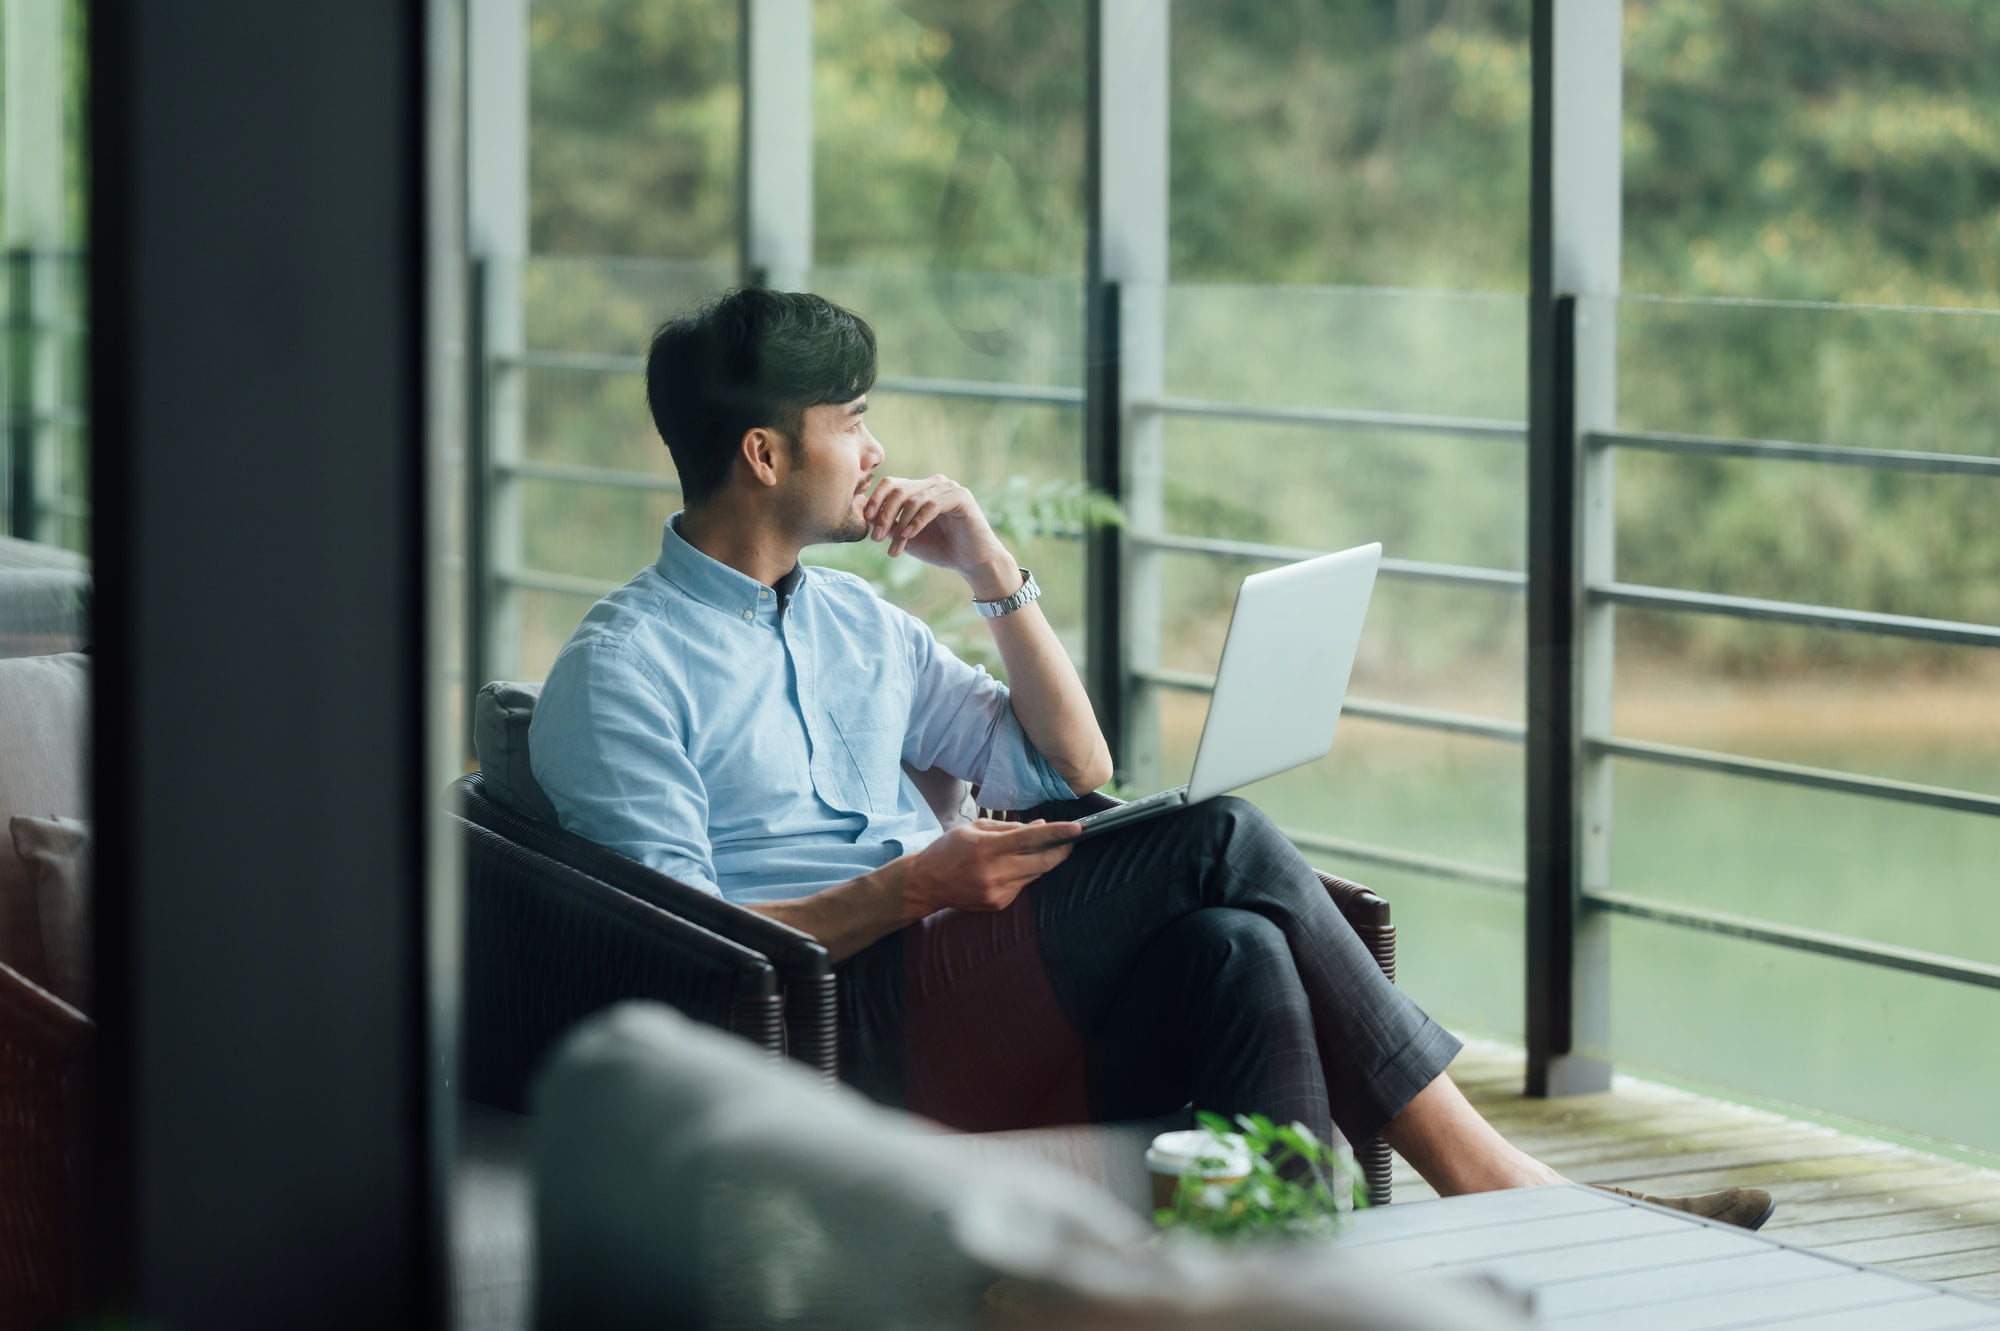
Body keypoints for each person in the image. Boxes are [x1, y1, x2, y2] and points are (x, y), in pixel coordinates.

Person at [527, 288, 1772, 1228]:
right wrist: (910, 886)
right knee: (1217, 836)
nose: (875, 447)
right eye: (849, 422)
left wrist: (989, 571)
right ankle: (1506, 1187)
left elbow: (1071, 759)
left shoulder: (854, 618)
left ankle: (1286, 1265)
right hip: (830, 1023)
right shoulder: (622, 670)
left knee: (1233, 947)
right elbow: (682, 957)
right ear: (764, 454)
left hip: (960, 965)